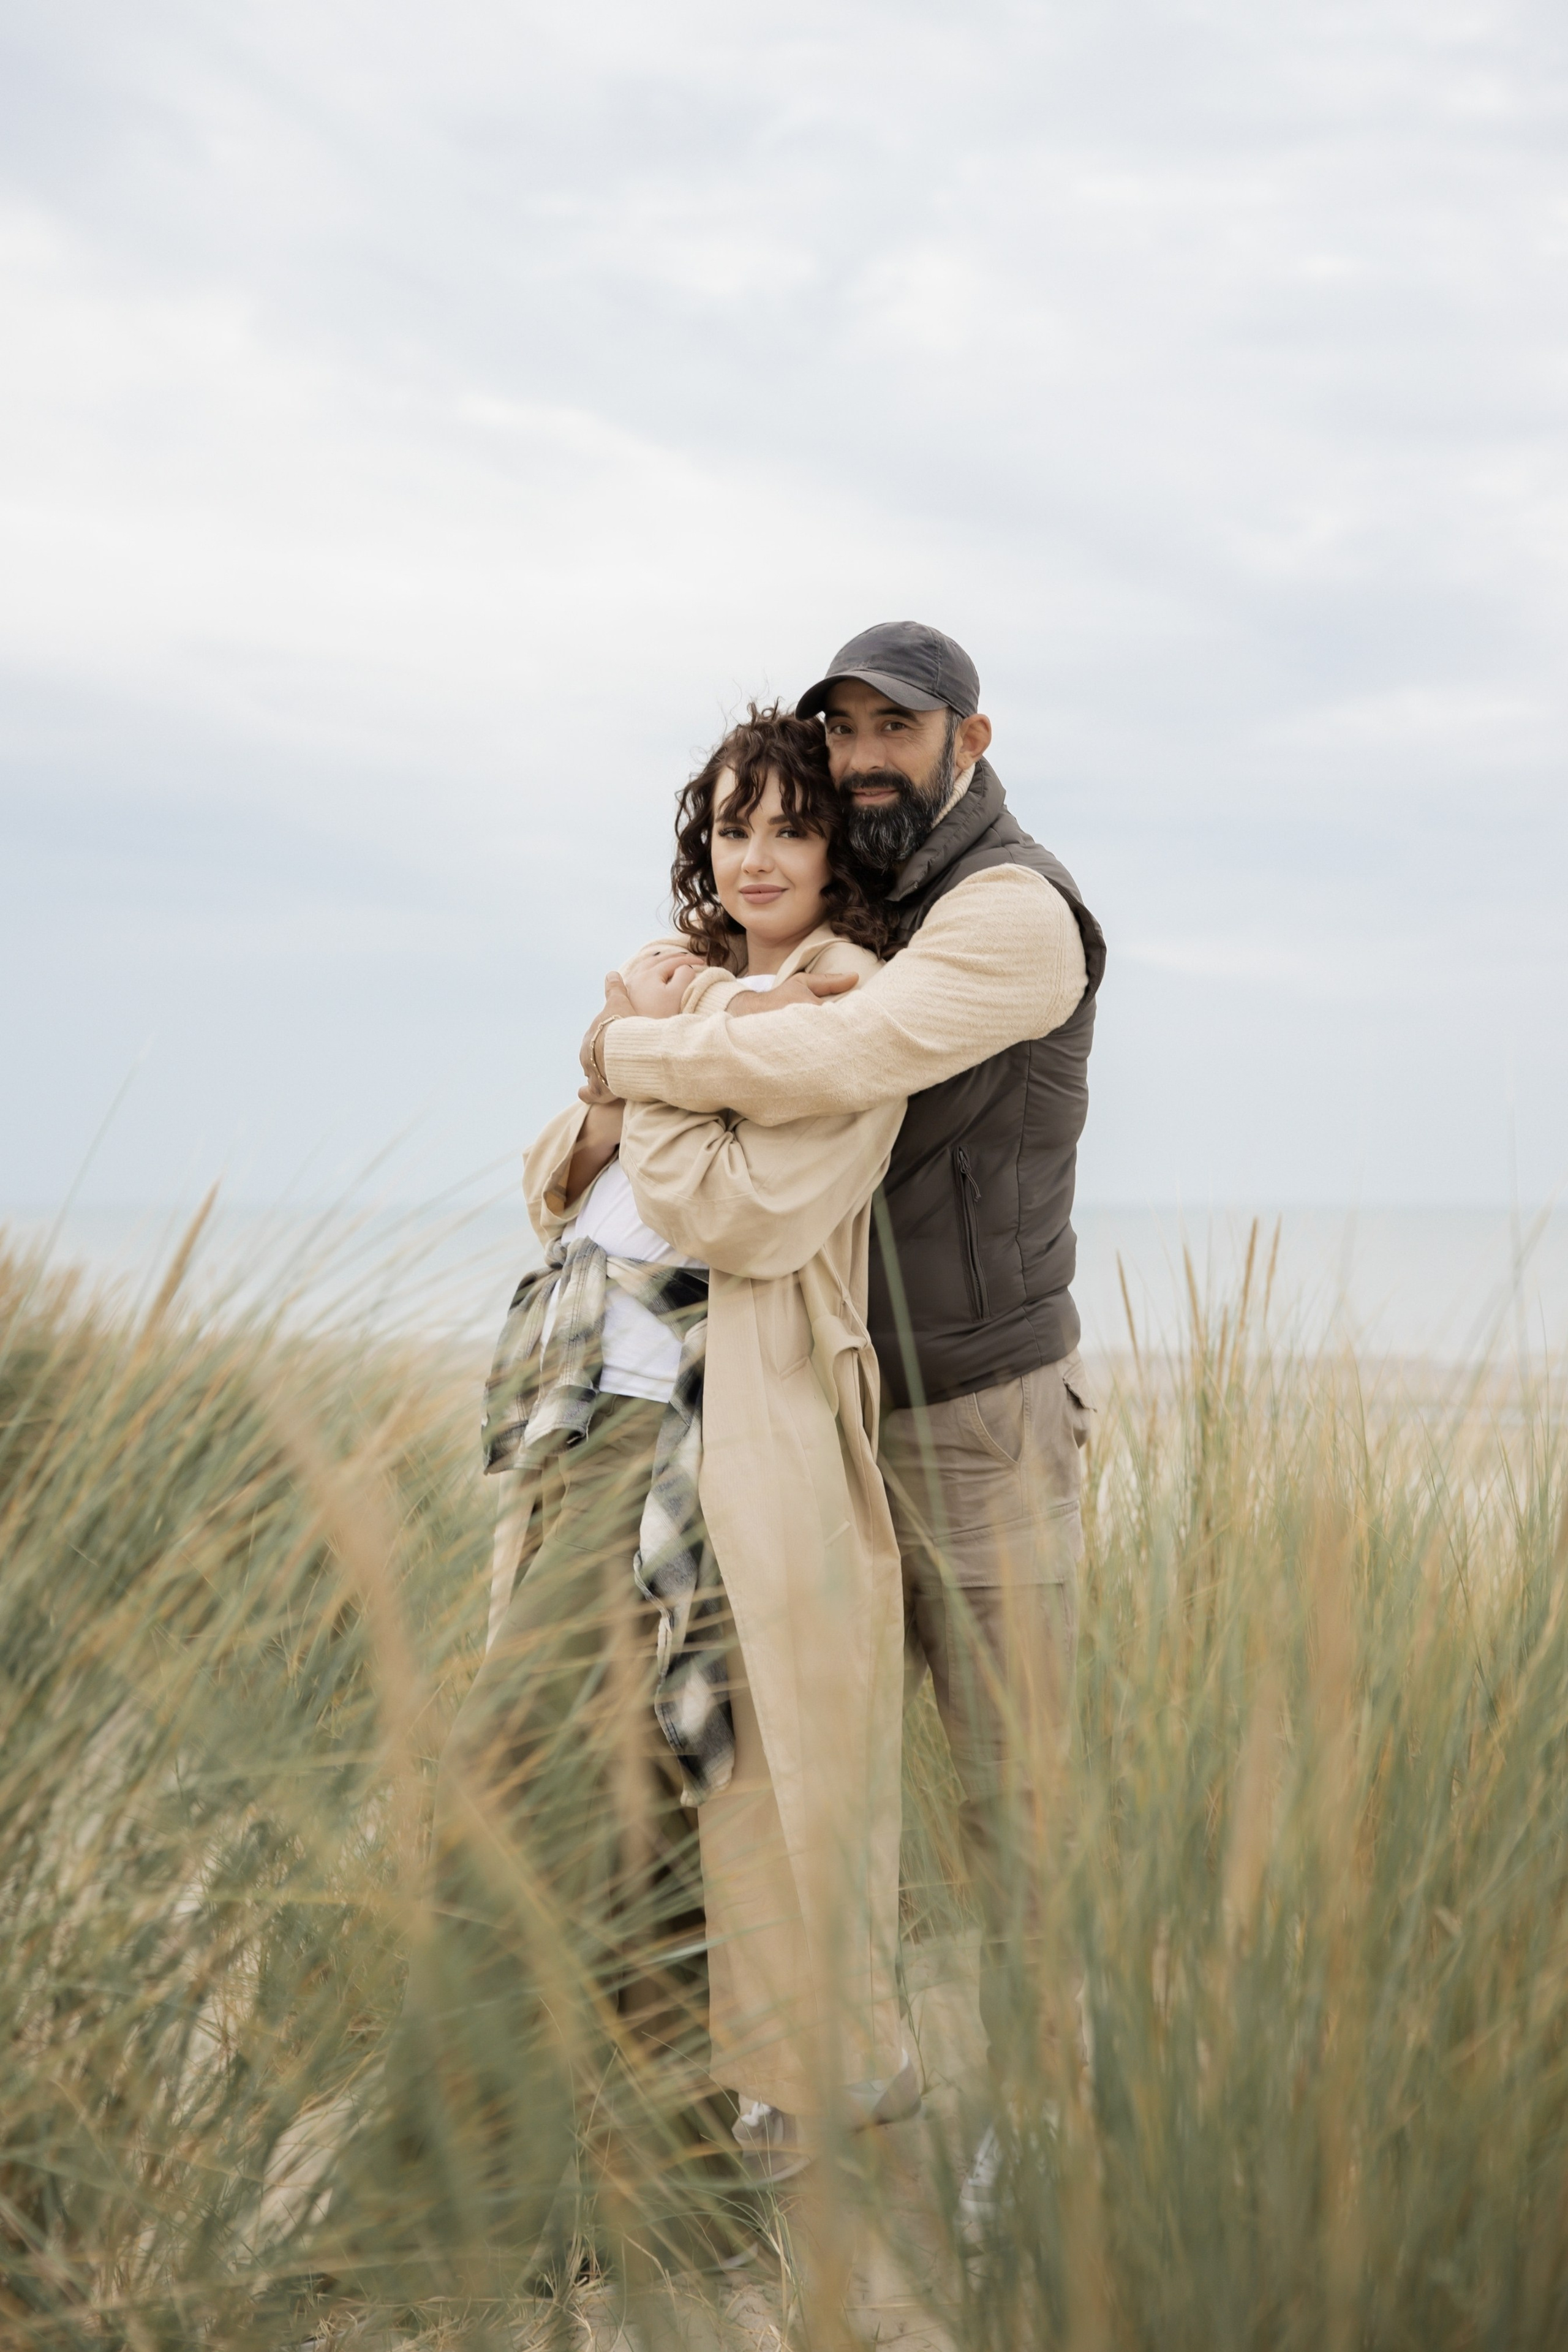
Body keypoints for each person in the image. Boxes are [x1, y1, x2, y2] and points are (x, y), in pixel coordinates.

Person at [580, 622, 1107, 2221]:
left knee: (1014, 1790)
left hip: (982, 1414)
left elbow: (841, 1054)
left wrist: (622, 1046)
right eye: (848, 731)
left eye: (900, 728)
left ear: (970, 738)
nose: (867, 756)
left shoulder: (1010, 910)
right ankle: (834, 2067)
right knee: (807, 1770)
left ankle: (1050, 2124)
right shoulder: (878, 894)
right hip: (829, 1409)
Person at [385, 704, 915, 2290]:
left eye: (790, 828)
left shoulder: (847, 1007)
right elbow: (558, 1178)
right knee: (618, 1814)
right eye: (734, 827)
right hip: (582, 1437)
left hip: (705, 1455)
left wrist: (637, 1069)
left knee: (534, 1791)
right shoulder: (677, 981)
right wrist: (636, 1076)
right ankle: (633, 2201)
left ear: (835, 849)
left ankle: (496, 2203)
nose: (756, 857)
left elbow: (744, 1218)